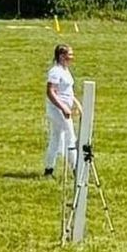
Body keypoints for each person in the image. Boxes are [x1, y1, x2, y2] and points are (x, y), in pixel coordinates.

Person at [43, 44, 81, 177]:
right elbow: (50, 92)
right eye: (69, 55)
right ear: (61, 56)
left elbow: (67, 91)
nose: (72, 57)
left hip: (65, 108)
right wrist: (63, 107)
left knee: (55, 137)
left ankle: (49, 169)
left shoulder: (65, 70)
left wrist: (74, 103)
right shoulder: (55, 71)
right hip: (57, 110)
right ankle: (76, 169)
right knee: (71, 137)